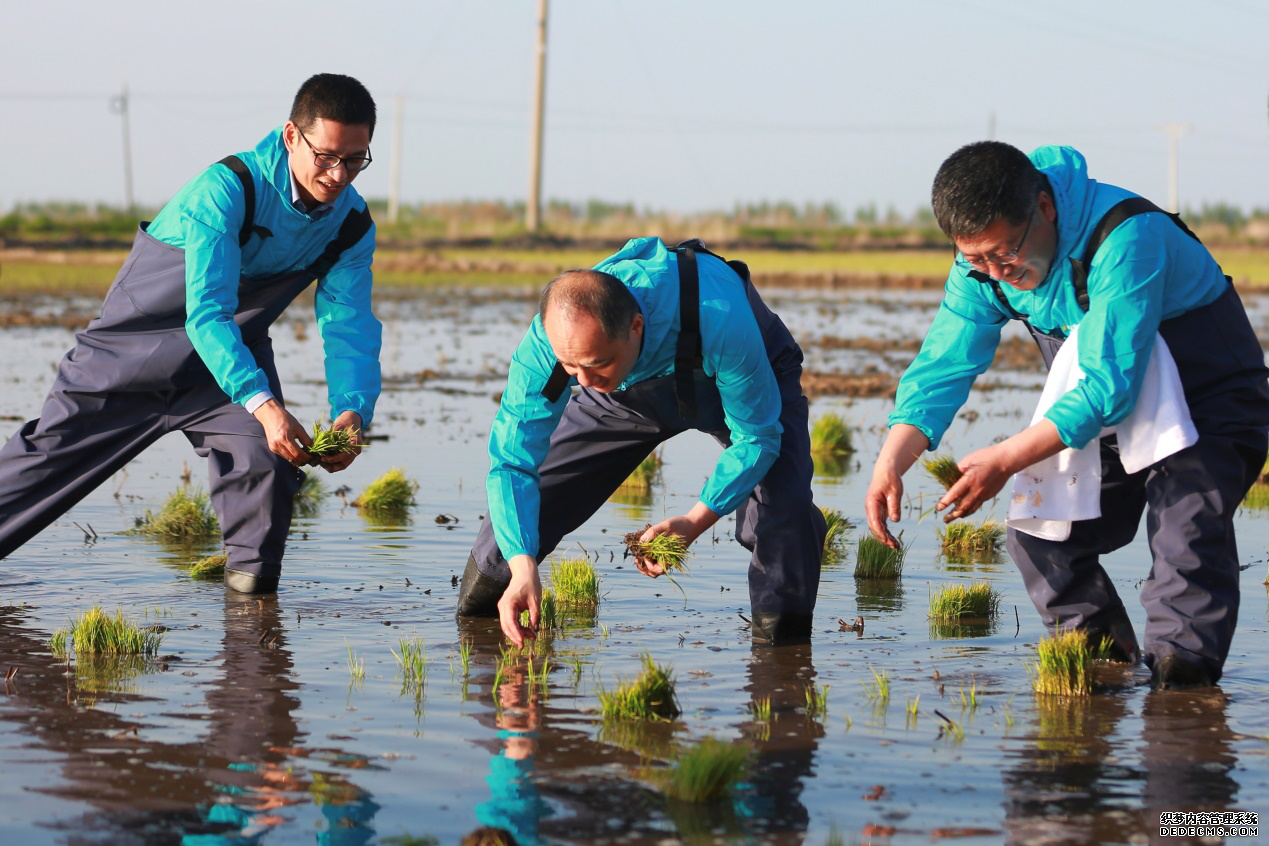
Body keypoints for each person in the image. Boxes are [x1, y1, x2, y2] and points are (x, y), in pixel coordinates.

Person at [866, 141, 1269, 688]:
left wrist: (1006, 459)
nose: (996, 272)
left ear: (1044, 209)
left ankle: (1182, 708)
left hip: (1208, 404)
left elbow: (1109, 387)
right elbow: (945, 362)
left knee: (1185, 542)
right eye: (976, 259)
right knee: (1040, 532)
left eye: (1004, 253)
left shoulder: (1126, 237)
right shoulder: (982, 267)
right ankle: (1105, 677)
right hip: (1103, 412)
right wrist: (892, 458)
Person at [0, 73, 382, 594]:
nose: (339, 175)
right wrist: (265, 404)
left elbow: (349, 326)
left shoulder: (352, 226)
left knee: (267, 468)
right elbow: (206, 312)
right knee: (43, 461)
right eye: (326, 156)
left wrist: (352, 409)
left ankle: (253, 635)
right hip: (131, 353)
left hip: (226, 370)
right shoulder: (226, 189)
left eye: (355, 159)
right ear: (292, 136)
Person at [457, 237, 826, 646]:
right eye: (569, 367)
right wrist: (522, 564)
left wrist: (694, 520)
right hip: (627, 398)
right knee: (532, 503)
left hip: (743, 379)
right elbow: (513, 459)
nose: (582, 382)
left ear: (636, 326)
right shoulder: (552, 343)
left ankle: (782, 674)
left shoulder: (720, 317)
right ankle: (479, 641)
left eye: (596, 364)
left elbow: (756, 437)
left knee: (785, 510)